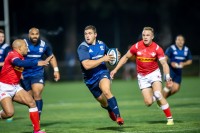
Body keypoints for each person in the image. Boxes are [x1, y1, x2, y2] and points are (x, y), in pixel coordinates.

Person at [110, 27, 174, 125]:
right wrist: (115, 70)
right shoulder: (136, 46)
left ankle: (170, 119)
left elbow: (164, 64)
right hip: (142, 77)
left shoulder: (157, 49)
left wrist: (168, 77)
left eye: (148, 35)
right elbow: (125, 57)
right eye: (144, 35)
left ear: (152, 37)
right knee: (148, 103)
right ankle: (156, 98)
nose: (145, 37)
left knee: (158, 94)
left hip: (154, 74)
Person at [0, 39, 52, 133]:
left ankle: (37, 130)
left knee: (32, 103)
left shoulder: (22, 56)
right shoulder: (12, 54)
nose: (27, 47)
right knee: (9, 113)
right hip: (4, 88)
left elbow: (25, 63)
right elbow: (19, 63)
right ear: (19, 48)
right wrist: (38, 63)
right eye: (25, 46)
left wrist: (43, 61)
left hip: (15, 87)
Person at [77, 25, 124, 125]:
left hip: (102, 72)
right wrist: (103, 59)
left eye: (90, 33)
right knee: (104, 102)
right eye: (85, 34)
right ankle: (108, 108)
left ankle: (118, 116)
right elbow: (86, 65)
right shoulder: (83, 48)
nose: (87, 36)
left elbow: (110, 54)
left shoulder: (102, 44)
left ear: (95, 34)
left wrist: (116, 54)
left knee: (106, 91)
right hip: (90, 79)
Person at [20, 27, 60, 119]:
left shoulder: (44, 45)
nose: (35, 36)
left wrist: (56, 70)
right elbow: (17, 58)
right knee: (29, 99)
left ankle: (37, 117)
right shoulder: (23, 44)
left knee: (37, 93)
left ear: (39, 35)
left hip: (37, 73)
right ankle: (34, 114)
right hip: (24, 74)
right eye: (32, 34)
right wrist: (18, 71)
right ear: (29, 35)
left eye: (36, 34)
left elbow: (51, 57)